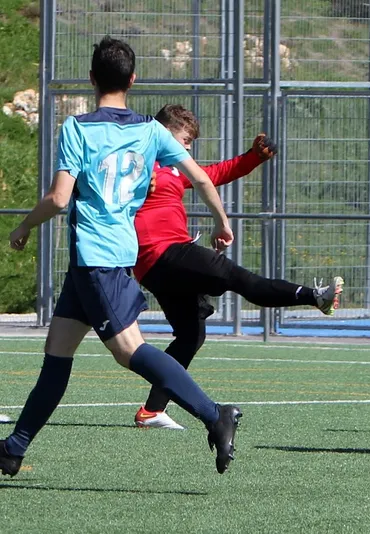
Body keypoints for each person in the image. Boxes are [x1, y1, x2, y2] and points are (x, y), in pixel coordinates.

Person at [0, 37, 242, 477]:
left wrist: (23, 226)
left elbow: (58, 199)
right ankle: (13, 448)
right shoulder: (151, 130)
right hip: (99, 261)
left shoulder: (77, 129)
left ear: (91, 78)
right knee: (57, 350)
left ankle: (214, 414)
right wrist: (222, 221)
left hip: (99, 260)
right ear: (132, 80)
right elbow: (203, 180)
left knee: (129, 350)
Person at [132, 104, 344, 430]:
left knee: (191, 335)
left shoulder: (174, 167)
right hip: (163, 254)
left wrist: (253, 157)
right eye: (185, 139)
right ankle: (315, 296)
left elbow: (215, 174)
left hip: (159, 265)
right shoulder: (138, 161)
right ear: (164, 132)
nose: (188, 147)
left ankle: (151, 411)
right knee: (236, 276)